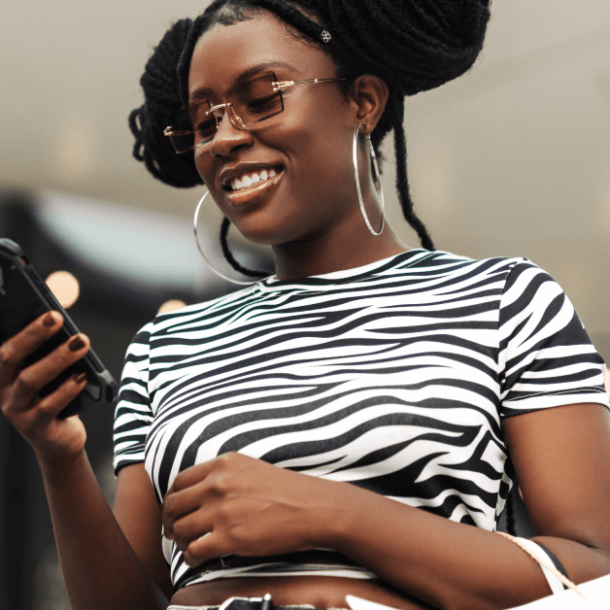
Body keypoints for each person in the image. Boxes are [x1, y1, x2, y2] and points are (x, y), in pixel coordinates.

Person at [2, 1, 610, 609]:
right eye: (202, 122)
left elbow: (593, 572)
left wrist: (330, 513)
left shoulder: (506, 299)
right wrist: (60, 455)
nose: (225, 138)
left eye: (263, 96)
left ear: (362, 101)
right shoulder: (165, 347)